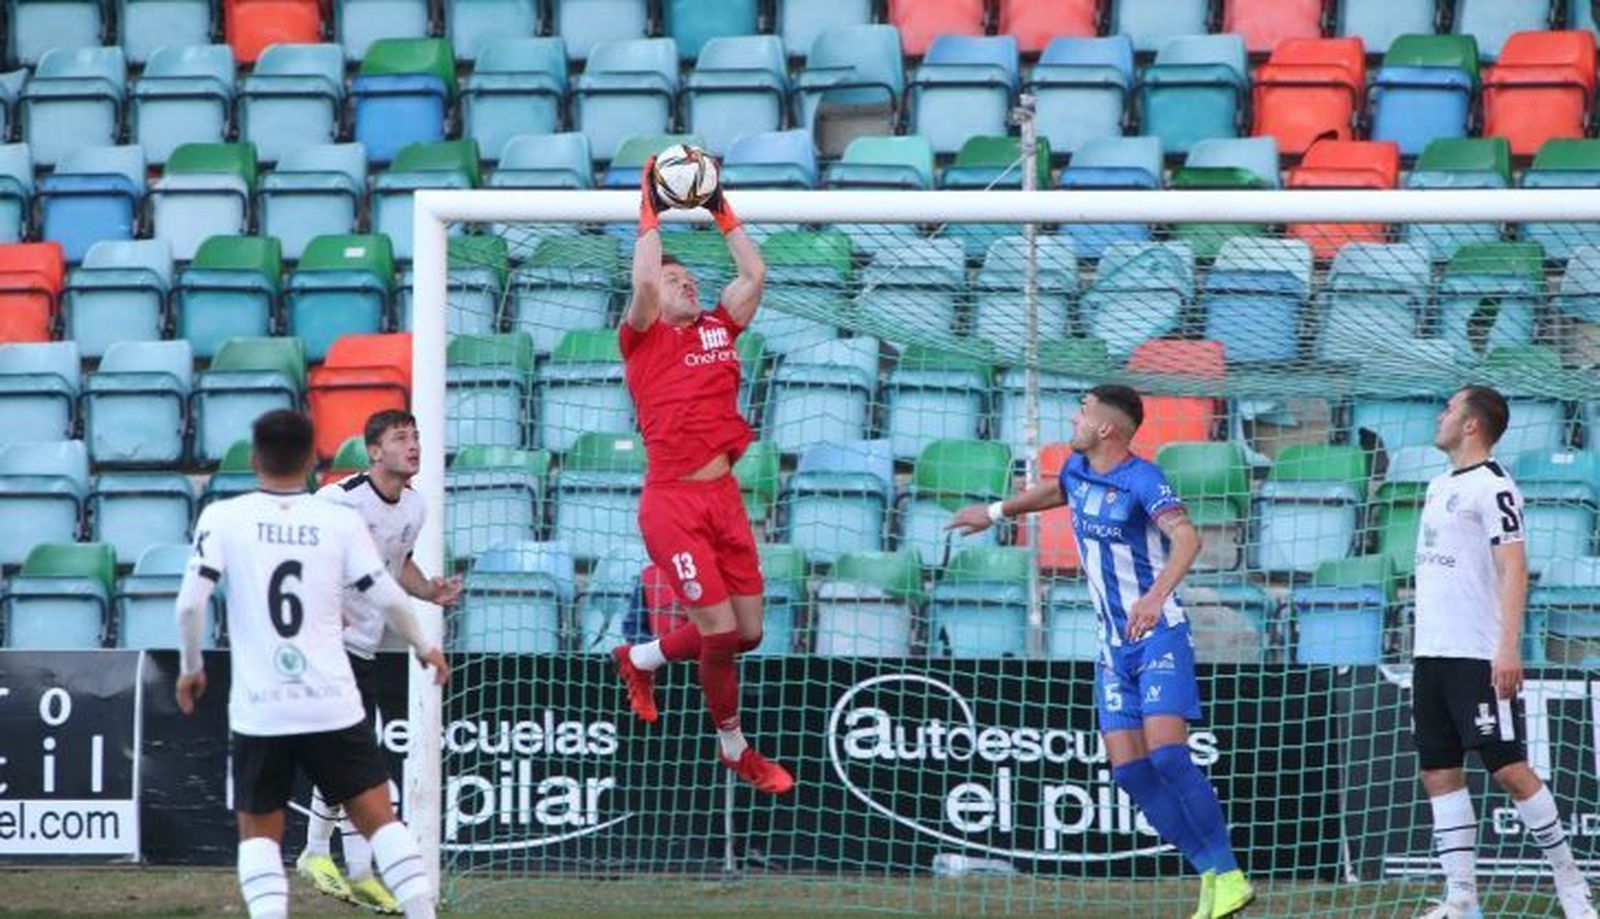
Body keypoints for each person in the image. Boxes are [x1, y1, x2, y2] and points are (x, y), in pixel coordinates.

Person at [947, 384, 1252, 919]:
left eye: (1083, 412)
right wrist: (994, 512)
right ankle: (1211, 873)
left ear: (1106, 428)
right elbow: (1054, 492)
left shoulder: (1143, 479)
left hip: (1158, 635)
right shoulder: (1078, 469)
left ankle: (1227, 873)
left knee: (1169, 756)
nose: (1075, 417)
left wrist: (1157, 597)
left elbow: (1187, 538)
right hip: (1113, 646)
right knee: (1131, 772)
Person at [173, 409, 450, 919]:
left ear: (255, 459)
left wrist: (191, 667)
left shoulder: (223, 516)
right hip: (330, 698)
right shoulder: (337, 517)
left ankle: (319, 866)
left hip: (262, 702)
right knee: (381, 820)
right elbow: (386, 594)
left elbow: (190, 604)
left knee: (258, 835)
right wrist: (423, 646)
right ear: (310, 459)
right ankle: (414, 907)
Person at [607, 155, 792, 795]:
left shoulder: (719, 327)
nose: (684, 284)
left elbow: (755, 271)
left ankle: (641, 657)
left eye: (689, 277)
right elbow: (642, 282)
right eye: (673, 279)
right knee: (717, 631)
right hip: (672, 504)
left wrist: (720, 210)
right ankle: (734, 746)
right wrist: (649, 207)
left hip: (723, 498)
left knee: (748, 632)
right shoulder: (642, 338)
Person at [1412, 387, 1595, 919]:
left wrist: (1507, 646)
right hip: (1432, 652)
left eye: (1449, 409)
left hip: (1476, 652)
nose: (1440, 415)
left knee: (1508, 767)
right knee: (1439, 770)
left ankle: (1571, 881)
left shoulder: (1495, 487)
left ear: (1471, 425)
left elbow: (1514, 567)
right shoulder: (1437, 483)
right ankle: (1462, 899)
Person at [295, 410, 463, 913]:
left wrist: (430, 591)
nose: (413, 446)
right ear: (374, 451)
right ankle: (342, 861)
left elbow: (397, 565)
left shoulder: (414, 507)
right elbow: (297, 558)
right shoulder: (337, 500)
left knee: (348, 757)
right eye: (400, 438)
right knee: (355, 755)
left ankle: (333, 859)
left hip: (364, 648)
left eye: (416, 436)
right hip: (325, 646)